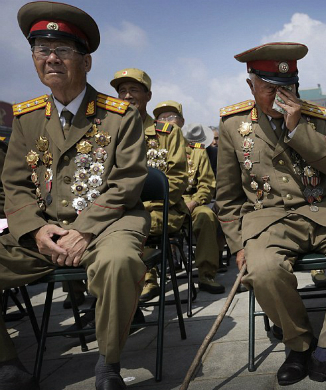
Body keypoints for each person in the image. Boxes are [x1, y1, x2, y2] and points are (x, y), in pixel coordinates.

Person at [217, 42, 326, 389]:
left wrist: (298, 129)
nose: (281, 96)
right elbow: (228, 195)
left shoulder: (319, 118)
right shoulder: (233, 124)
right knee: (262, 269)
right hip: (269, 218)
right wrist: (237, 244)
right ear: (251, 86)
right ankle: (299, 345)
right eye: (270, 89)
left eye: (288, 87)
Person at [0, 3, 149, 389]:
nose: (51, 59)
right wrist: (34, 230)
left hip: (108, 224)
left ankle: (107, 365)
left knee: (120, 262)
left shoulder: (120, 115)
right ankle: (8, 363)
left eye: (63, 50)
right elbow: (14, 185)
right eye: (41, 50)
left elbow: (128, 180)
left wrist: (81, 230)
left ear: (86, 61)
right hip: (45, 233)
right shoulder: (27, 119)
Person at [111, 69, 189, 302]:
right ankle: (109, 299)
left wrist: (144, 204)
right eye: (122, 91)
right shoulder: (107, 134)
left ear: (148, 95)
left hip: (161, 210)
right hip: (120, 211)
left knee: (130, 229)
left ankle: (144, 281)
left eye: (133, 90)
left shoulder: (168, 133)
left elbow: (177, 178)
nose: (127, 96)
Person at [178, 122, 225, 294]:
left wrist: (195, 202)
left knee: (207, 215)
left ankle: (207, 274)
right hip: (164, 203)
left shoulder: (198, 151)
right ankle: (149, 279)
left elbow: (207, 184)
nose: (169, 123)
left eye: (173, 118)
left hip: (193, 201)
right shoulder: (154, 148)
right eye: (164, 118)